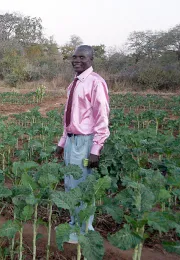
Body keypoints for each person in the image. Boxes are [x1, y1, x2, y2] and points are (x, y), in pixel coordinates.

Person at [55, 45, 110, 244]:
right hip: (71, 140)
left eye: (82, 57)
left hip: (85, 142)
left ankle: (84, 230)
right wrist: (62, 142)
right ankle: (74, 225)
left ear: (91, 59)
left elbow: (102, 117)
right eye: (74, 57)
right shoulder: (74, 84)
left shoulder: (96, 83)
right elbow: (68, 117)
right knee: (71, 183)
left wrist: (96, 149)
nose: (77, 60)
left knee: (82, 186)